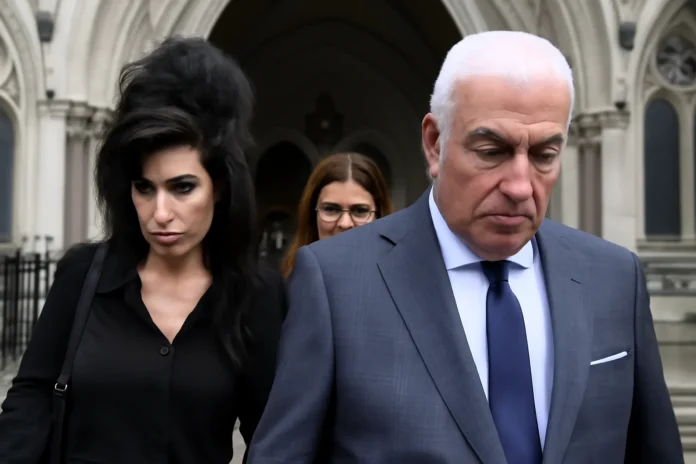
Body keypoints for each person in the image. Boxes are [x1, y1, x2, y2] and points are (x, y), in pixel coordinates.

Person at [247, 31, 684, 463]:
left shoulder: (614, 279)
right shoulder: (336, 282)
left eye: (544, 155)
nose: (520, 186)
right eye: (492, 151)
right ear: (434, 143)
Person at [0, 37, 286, 464]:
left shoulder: (257, 296)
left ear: (220, 187)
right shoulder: (83, 275)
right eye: (144, 188)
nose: (160, 213)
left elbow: (272, 436)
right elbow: (31, 397)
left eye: (182, 188)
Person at [280, 152, 392, 278]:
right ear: (312, 215)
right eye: (331, 209)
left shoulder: (402, 281)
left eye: (360, 211)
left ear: (379, 216)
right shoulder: (284, 285)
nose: (345, 223)